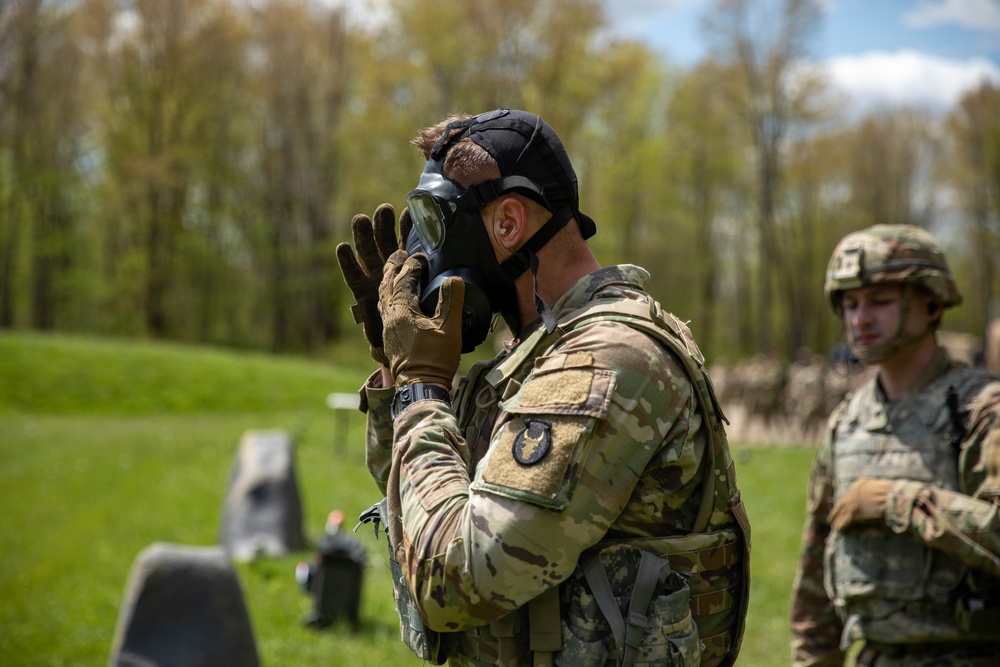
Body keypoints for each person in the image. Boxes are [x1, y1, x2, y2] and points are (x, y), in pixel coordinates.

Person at [337, 108, 750, 666]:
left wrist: (422, 385)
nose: (426, 253)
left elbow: (455, 582)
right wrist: (394, 369)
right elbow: (419, 503)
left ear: (508, 222)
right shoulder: (529, 360)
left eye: (436, 224)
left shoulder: (604, 363)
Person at [789, 224, 1000, 667]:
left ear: (932, 304)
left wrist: (898, 502)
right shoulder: (848, 421)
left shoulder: (981, 411)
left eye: (879, 302)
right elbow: (814, 576)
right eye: (849, 303)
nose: (859, 318)